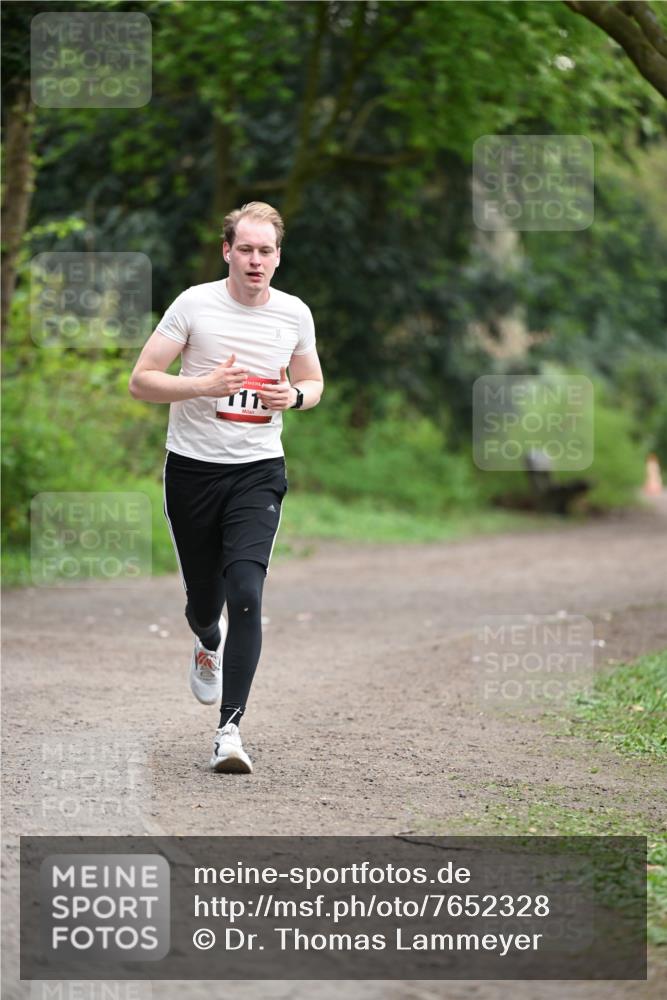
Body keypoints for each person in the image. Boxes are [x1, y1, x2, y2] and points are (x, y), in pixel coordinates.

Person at [129, 202, 324, 774]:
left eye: (266, 251)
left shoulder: (293, 314)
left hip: (258, 471)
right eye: (246, 249)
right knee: (204, 602)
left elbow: (312, 379)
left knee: (247, 590)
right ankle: (203, 636)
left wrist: (298, 398)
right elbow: (142, 381)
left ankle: (229, 734)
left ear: (278, 257)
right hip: (192, 471)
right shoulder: (194, 304)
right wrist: (203, 384)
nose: (256, 260)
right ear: (227, 252)